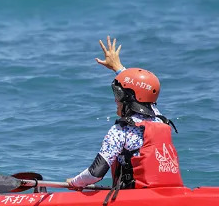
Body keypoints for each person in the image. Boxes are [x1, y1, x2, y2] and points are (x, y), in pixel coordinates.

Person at [66, 36, 183, 193]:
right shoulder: (159, 120)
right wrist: (118, 67)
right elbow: (143, 90)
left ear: (128, 98)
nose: (115, 99)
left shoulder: (121, 131)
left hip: (136, 197)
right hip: (169, 192)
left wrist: (74, 183)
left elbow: (95, 173)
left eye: (118, 94)